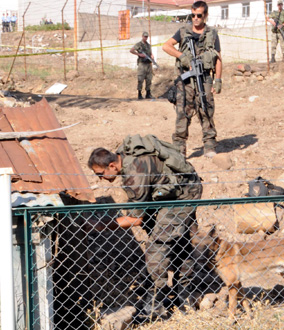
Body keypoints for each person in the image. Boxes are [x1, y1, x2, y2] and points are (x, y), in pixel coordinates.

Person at [87, 134, 204, 314]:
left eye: (101, 174)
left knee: (158, 245)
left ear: (111, 165)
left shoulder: (134, 172)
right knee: (171, 238)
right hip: (168, 193)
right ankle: (180, 291)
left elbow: (135, 219)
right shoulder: (122, 157)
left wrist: (102, 225)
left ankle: (156, 304)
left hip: (184, 195)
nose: (101, 179)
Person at [162, 0, 222, 158]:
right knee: (183, 112)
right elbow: (166, 46)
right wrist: (183, 56)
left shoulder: (212, 33)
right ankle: (179, 148)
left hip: (205, 79)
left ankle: (209, 144)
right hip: (186, 81)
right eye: (193, 15)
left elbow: (218, 58)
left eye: (199, 15)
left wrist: (218, 80)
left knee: (206, 108)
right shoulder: (183, 31)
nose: (195, 18)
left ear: (205, 16)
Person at [130, 32, 154, 100]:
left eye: (146, 37)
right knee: (140, 79)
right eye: (144, 36)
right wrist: (139, 54)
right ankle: (139, 94)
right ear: (142, 36)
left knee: (149, 79)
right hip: (142, 64)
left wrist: (152, 56)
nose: (145, 38)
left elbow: (150, 53)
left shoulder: (148, 45)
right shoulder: (139, 44)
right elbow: (131, 50)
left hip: (148, 64)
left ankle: (148, 94)